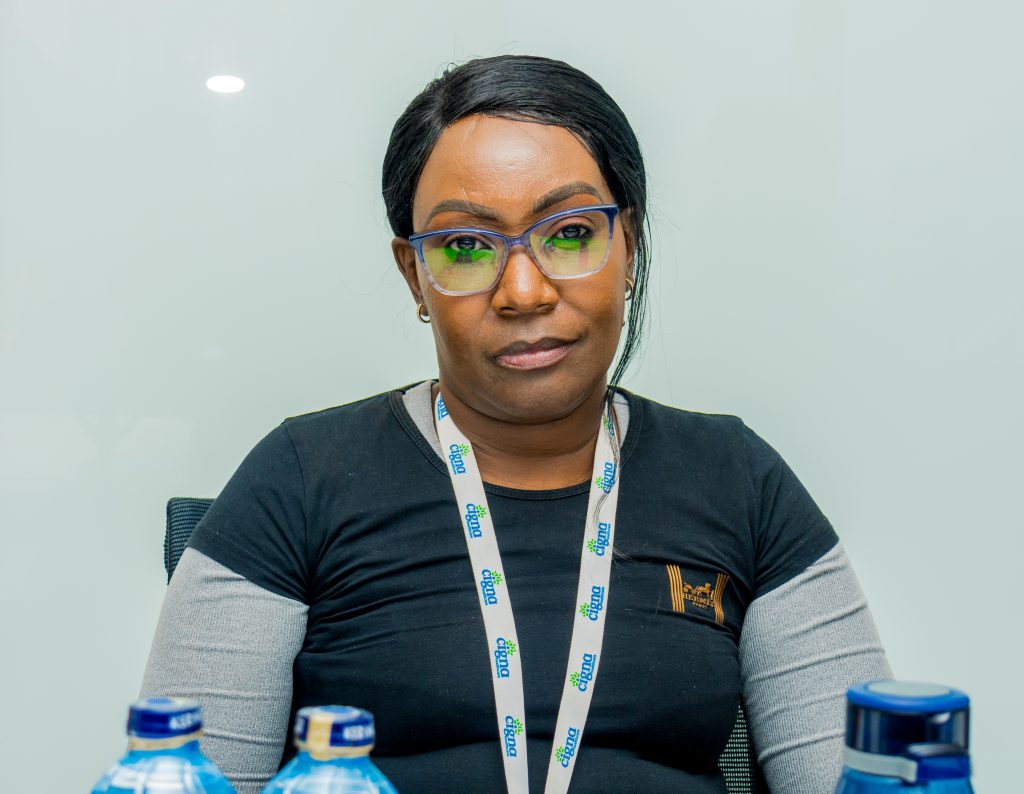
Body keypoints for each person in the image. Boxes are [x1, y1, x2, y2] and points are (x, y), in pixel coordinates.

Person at [141, 55, 890, 794]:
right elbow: (178, 779)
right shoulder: (298, 478)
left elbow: (860, 781)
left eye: (568, 233)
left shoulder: (738, 478)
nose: (524, 291)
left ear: (626, 246)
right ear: (415, 277)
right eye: (466, 247)